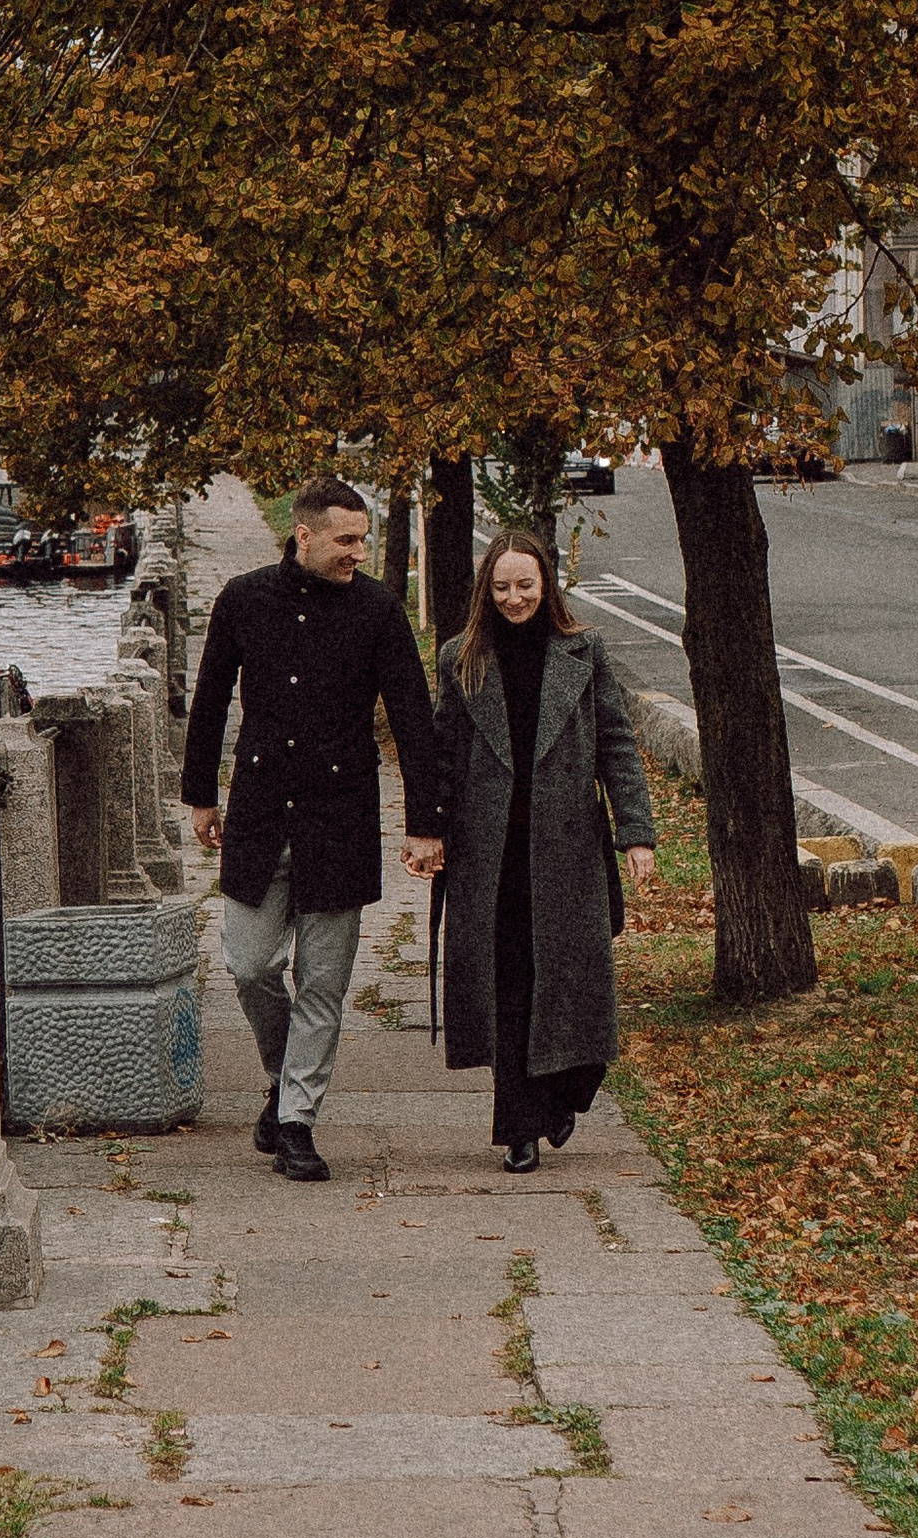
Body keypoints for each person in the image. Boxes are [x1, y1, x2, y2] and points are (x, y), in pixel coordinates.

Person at [180, 473, 443, 1184]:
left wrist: (425, 823)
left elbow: (413, 718)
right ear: (305, 534)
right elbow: (209, 699)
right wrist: (200, 796)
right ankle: (281, 1077)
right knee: (249, 964)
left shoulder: (379, 609)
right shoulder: (243, 599)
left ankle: (296, 1120)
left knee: (323, 983)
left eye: (364, 540)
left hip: (341, 817)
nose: (359, 552)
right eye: (346, 540)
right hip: (260, 812)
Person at [433, 529, 656, 1175]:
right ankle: (519, 1129)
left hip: (568, 851)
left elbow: (616, 744)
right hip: (490, 855)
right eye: (502, 587)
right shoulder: (461, 658)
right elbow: (444, 753)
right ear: (486, 590)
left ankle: (565, 1092)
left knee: (576, 985)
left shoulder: (585, 651)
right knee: (510, 987)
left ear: (546, 586)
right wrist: (429, 831)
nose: (514, 598)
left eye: (525, 585)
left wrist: (636, 833)